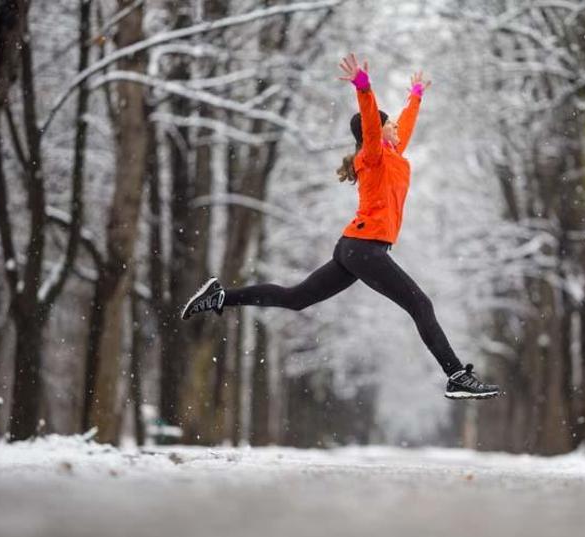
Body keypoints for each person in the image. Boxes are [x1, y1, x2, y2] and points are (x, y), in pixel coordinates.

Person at [181, 53, 500, 400]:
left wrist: (417, 95)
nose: (395, 126)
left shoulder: (393, 154)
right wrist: (363, 87)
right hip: (364, 248)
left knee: (296, 298)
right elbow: (371, 122)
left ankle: (221, 297)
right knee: (420, 305)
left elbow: (404, 125)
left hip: (355, 248)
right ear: (374, 134)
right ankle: (456, 375)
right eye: (388, 124)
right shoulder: (372, 157)